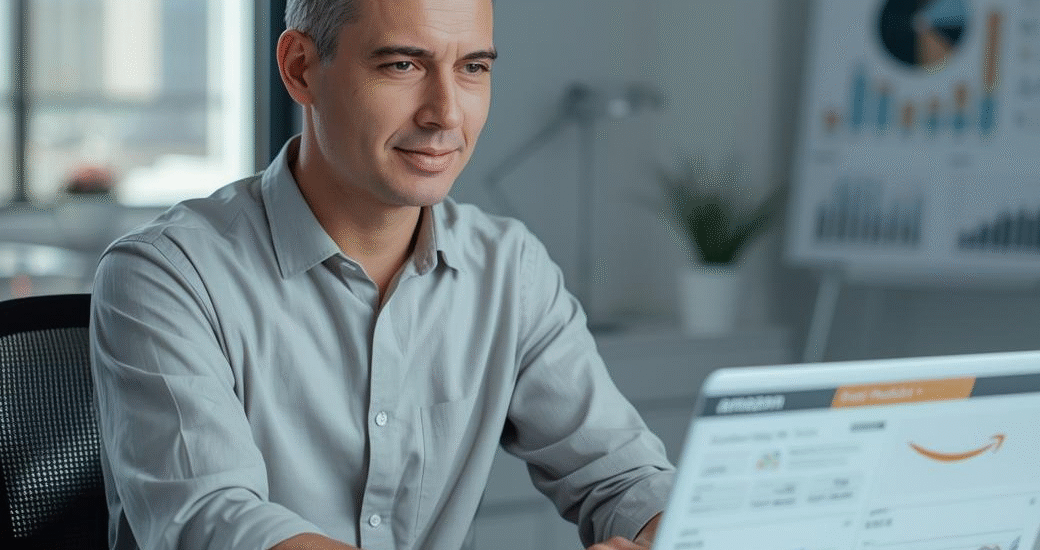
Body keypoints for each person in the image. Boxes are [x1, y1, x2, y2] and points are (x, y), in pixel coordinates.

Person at [88, 1, 674, 549]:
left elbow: (624, 478)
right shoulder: (167, 274)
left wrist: (667, 531)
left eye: (472, 67)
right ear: (300, 70)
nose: (446, 113)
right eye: (402, 64)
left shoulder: (509, 270)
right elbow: (216, 524)